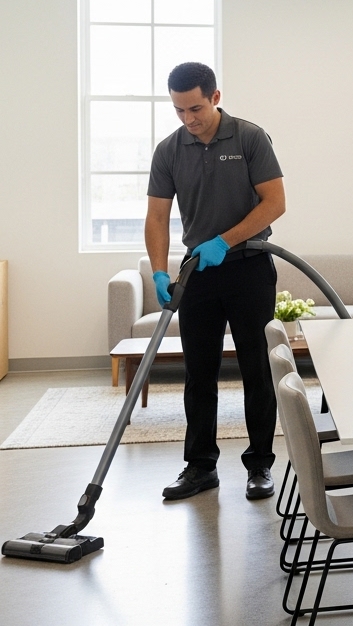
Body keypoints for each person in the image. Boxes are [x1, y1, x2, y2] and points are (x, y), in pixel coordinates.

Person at [145, 62, 287, 502]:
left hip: (249, 266)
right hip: (198, 274)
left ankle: (260, 465)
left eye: (196, 108)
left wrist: (224, 241)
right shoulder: (169, 150)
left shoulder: (249, 138)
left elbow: (275, 203)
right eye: (179, 110)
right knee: (198, 372)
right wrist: (159, 269)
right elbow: (156, 216)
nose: (189, 119)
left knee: (256, 369)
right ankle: (200, 466)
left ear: (215, 97)